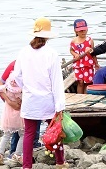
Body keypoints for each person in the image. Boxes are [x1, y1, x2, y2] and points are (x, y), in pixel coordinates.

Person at [12, 17, 66, 169]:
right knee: (55, 132)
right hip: (48, 99)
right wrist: (60, 104)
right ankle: (60, 162)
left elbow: (16, 75)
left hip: (31, 99)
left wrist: (26, 86)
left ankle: (27, 166)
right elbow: (56, 81)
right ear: (48, 35)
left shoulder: (24, 52)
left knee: (29, 133)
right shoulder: (51, 54)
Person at [0, 70, 24, 165]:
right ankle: (18, 154)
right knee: (23, 134)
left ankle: (0, 154)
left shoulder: (6, 89)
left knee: (6, 135)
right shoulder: (21, 91)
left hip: (8, 115)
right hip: (19, 116)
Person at [69, 19, 98, 94]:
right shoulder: (73, 41)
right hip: (78, 64)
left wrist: (96, 64)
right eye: (80, 30)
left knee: (88, 82)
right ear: (76, 31)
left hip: (87, 64)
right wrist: (75, 54)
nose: (83, 32)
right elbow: (71, 50)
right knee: (80, 82)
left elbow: (93, 53)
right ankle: (79, 96)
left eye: (84, 30)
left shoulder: (89, 40)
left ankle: (86, 97)